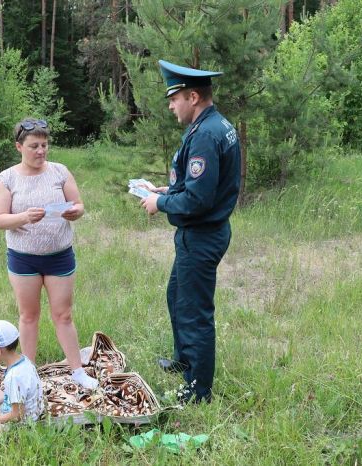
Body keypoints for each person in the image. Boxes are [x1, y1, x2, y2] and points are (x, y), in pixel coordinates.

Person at [141, 60, 241, 403]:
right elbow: (195, 186)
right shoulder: (208, 126)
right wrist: (164, 192)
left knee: (194, 312)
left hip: (202, 234)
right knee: (176, 296)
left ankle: (198, 391)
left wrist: (161, 205)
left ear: (193, 96)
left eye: (174, 99)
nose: (171, 105)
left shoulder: (207, 134)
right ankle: (185, 360)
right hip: (198, 233)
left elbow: (198, 200)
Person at [0, 118, 98, 390]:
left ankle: (77, 371)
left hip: (59, 255)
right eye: (34, 146)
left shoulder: (60, 172)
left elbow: (80, 206)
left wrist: (76, 211)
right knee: (29, 316)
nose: (41, 151)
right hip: (23, 257)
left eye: (45, 145)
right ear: (19, 147)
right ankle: (28, 375)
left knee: (63, 315)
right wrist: (25, 217)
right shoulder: (7, 179)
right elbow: (0, 219)